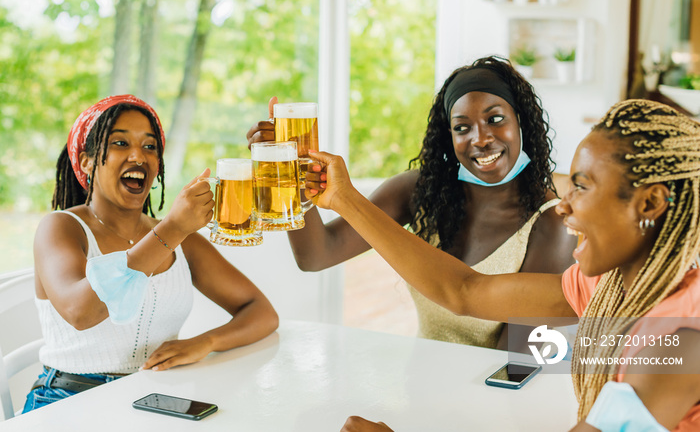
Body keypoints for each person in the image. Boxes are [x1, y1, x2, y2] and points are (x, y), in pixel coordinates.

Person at [308, 99, 700, 431]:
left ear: (649, 204)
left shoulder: (681, 342)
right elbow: (463, 291)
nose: (563, 205)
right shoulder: (605, 288)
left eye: (581, 187)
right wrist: (344, 200)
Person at [247, 56, 577, 349]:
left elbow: (513, 366)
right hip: (419, 384)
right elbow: (317, 255)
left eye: (495, 119)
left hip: (493, 405)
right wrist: (288, 174)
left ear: (521, 121)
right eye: (462, 127)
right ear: (449, 137)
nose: (480, 138)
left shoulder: (551, 226)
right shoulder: (424, 190)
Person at [23, 95, 279, 413]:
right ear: (87, 162)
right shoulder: (61, 227)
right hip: (67, 400)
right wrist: (171, 230)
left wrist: (206, 342)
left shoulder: (183, 241)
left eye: (150, 146)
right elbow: (81, 313)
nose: (138, 156)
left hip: (151, 399)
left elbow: (262, 313)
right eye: (119, 143)